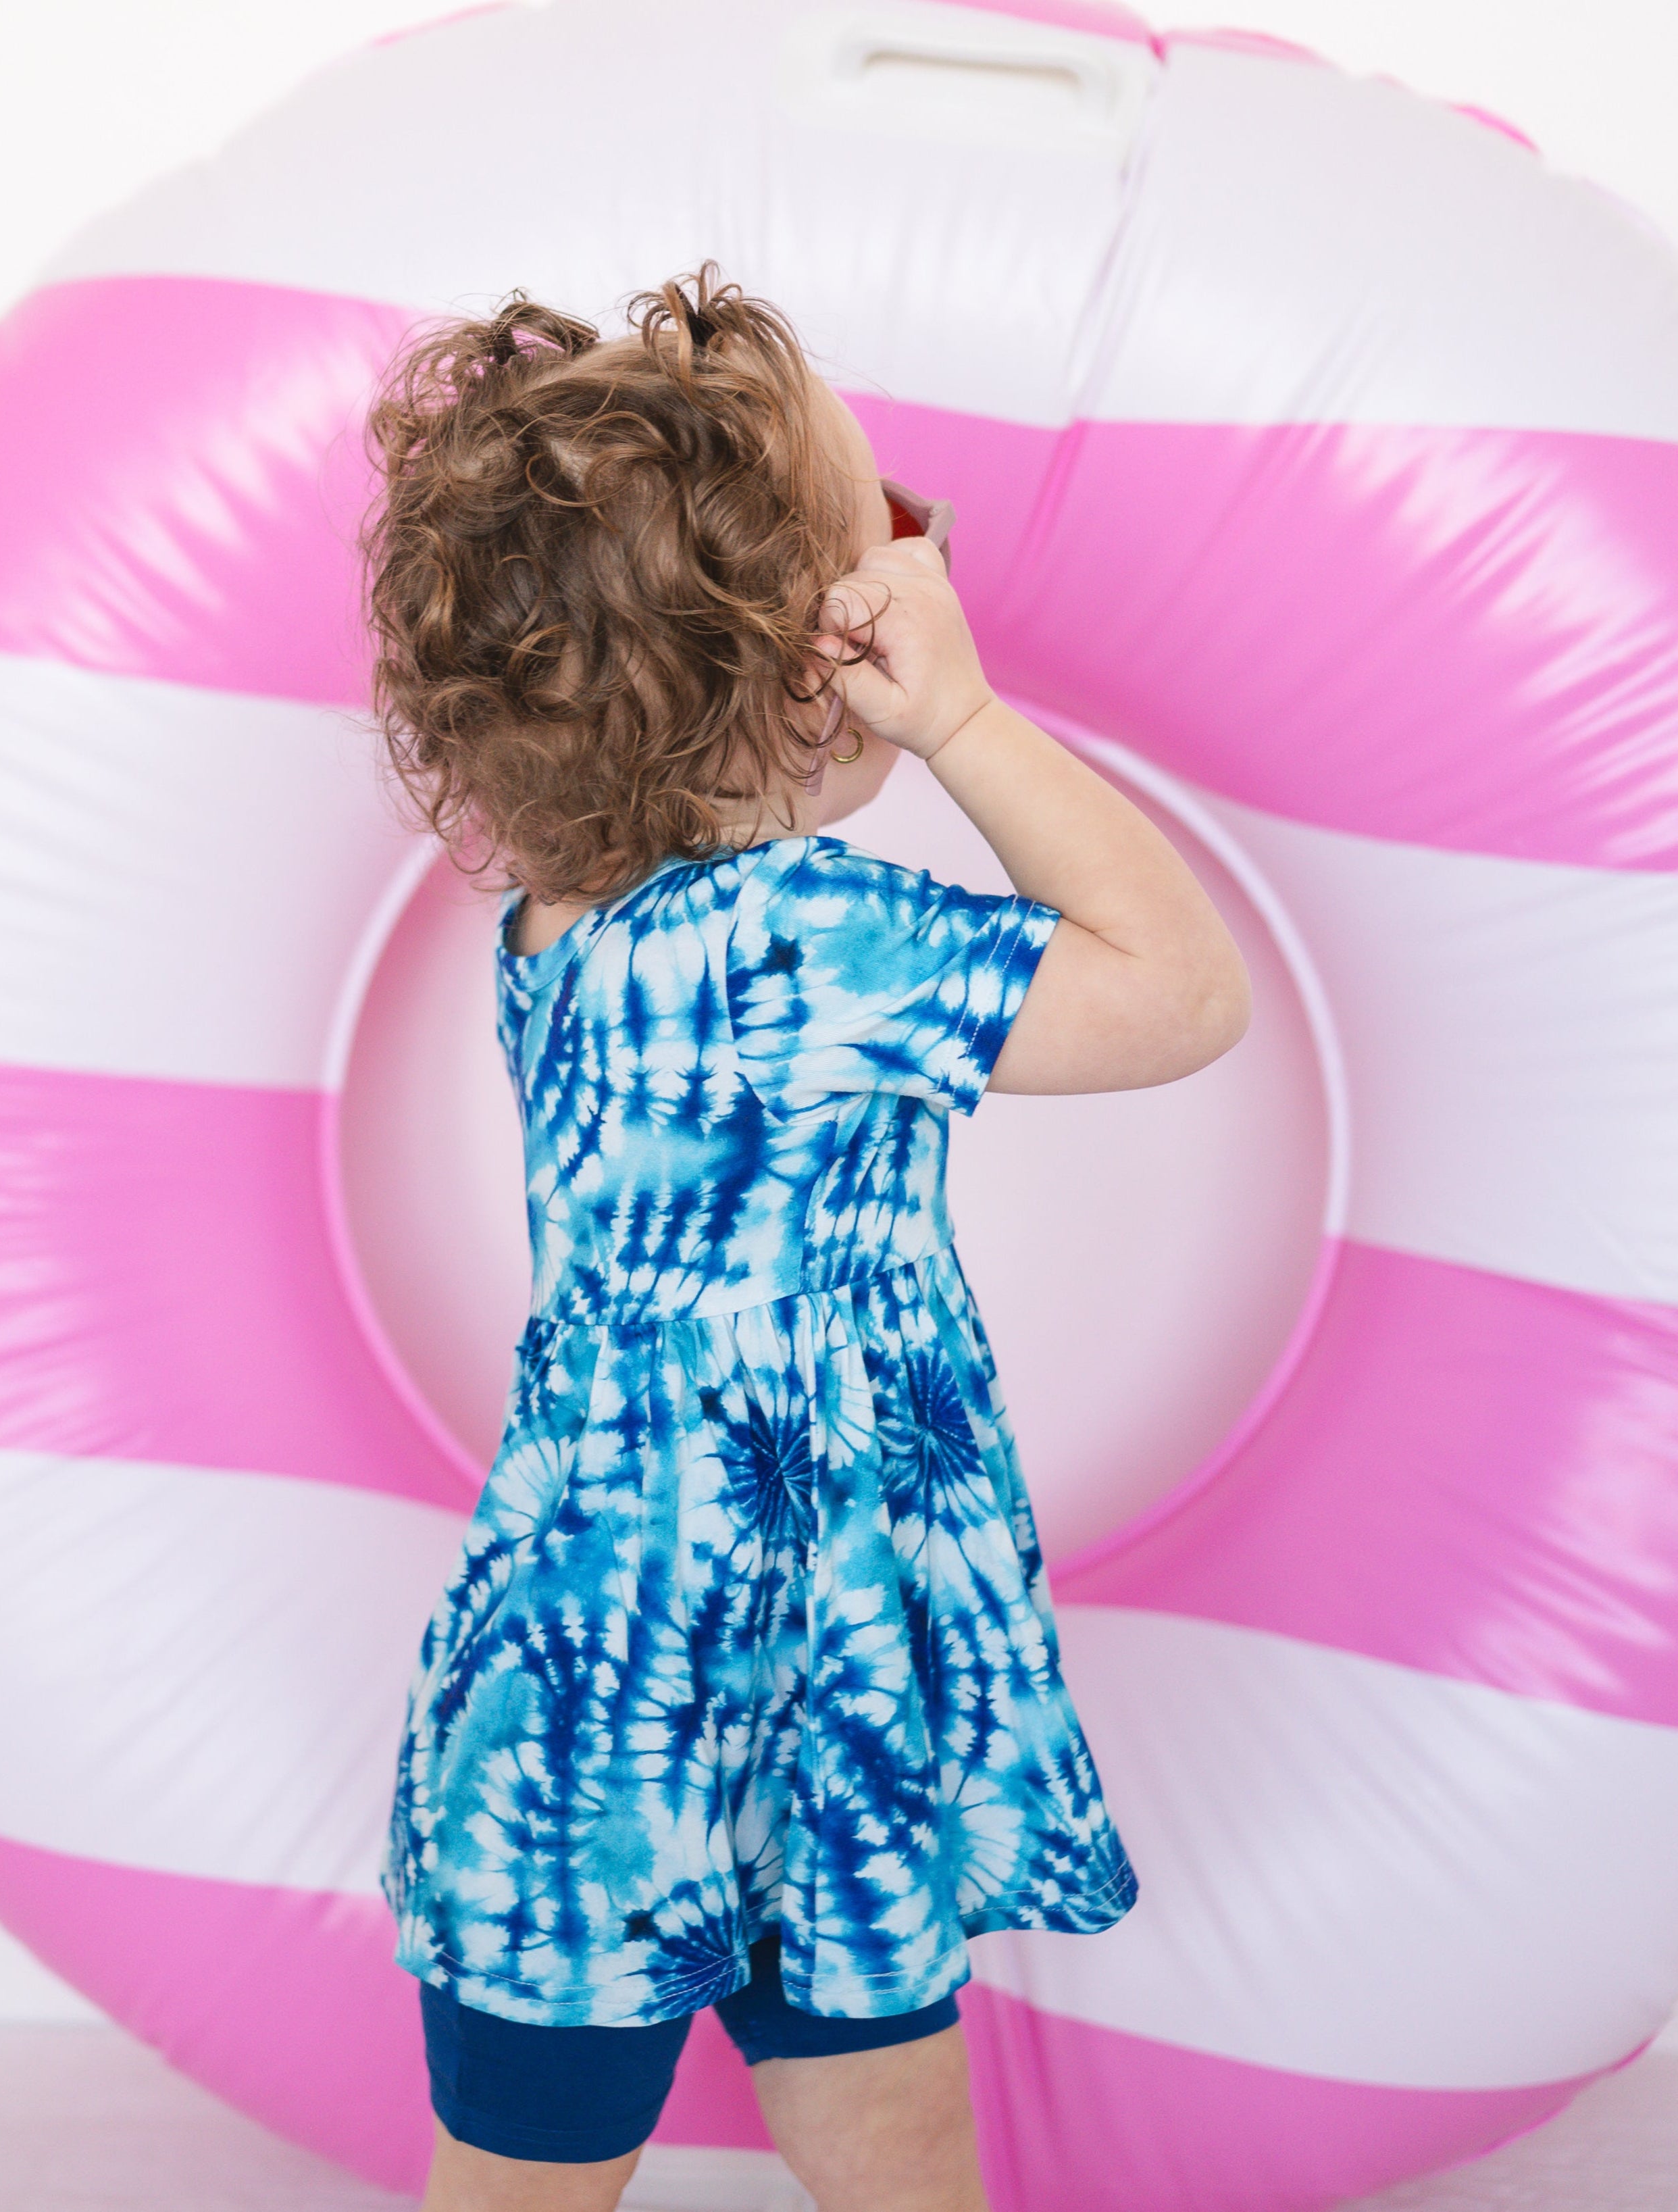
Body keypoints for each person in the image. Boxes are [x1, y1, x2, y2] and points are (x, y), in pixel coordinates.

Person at [357, 265, 1250, 2212]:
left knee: (547, 2154)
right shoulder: (806, 944)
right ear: (796, 678)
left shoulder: (563, 921)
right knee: (849, 2147)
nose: (919, 590)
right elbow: (1185, 994)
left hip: (638, 1652)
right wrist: (971, 723)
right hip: (775, 1647)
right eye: (882, 576)